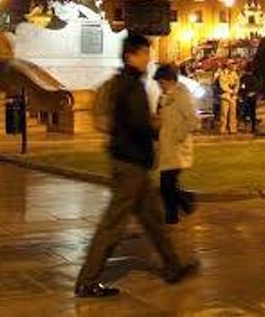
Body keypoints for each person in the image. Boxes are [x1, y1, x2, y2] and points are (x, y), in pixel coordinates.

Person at [75, 35, 197, 298]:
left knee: (153, 219)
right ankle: (87, 280)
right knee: (114, 223)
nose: (148, 58)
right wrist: (154, 126)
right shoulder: (129, 86)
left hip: (134, 163)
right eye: (144, 53)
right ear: (131, 56)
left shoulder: (127, 83)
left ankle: (173, 266)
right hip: (129, 163)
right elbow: (135, 123)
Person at [155, 64, 198, 225]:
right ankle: (182, 208)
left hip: (178, 148)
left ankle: (174, 214)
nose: (160, 86)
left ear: (170, 81)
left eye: (162, 83)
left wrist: (177, 135)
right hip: (166, 147)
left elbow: (193, 120)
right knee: (168, 184)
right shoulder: (164, 96)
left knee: (167, 184)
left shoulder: (182, 95)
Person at [215, 63, 239, 134]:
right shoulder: (222, 74)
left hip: (233, 96)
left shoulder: (234, 74)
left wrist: (235, 91)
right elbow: (222, 85)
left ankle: (233, 129)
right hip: (225, 95)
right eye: (232, 65)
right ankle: (222, 129)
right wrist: (230, 91)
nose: (234, 66)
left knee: (233, 113)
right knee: (224, 113)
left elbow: (237, 83)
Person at [238, 63, 260, 134]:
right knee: (252, 112)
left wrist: (242, 95)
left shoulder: (243, 77)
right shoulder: (254, 77)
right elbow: (256, 87)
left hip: (246, 97)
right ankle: (252, 127)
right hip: (251, 97)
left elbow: (241, 87)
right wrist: (253, 92)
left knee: (245, 112)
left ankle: (245, 127)